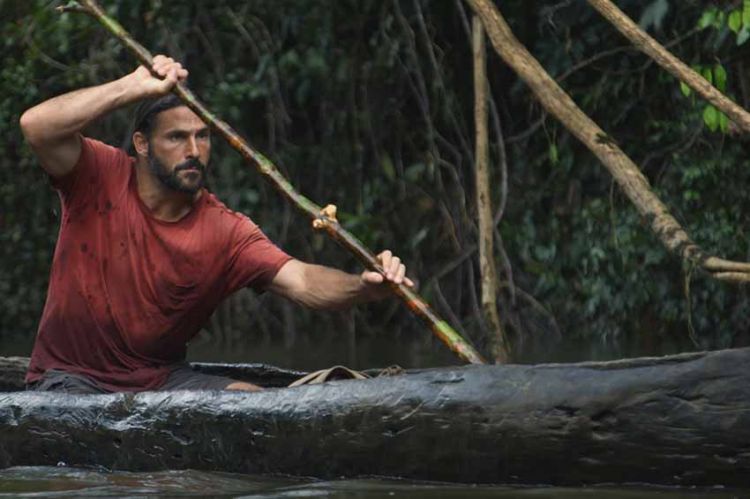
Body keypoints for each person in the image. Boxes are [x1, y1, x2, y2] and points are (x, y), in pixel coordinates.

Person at [19, 55, 414, 394]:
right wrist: (133, 85)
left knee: (253, 400)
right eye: (177, 138)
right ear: (141, 144)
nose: (194, 151)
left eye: (203, 137)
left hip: (161, 381)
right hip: (70, 380)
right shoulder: (98, 174)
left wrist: (363, 286)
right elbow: (37, 126)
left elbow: (303, 281)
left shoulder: (225, 230)